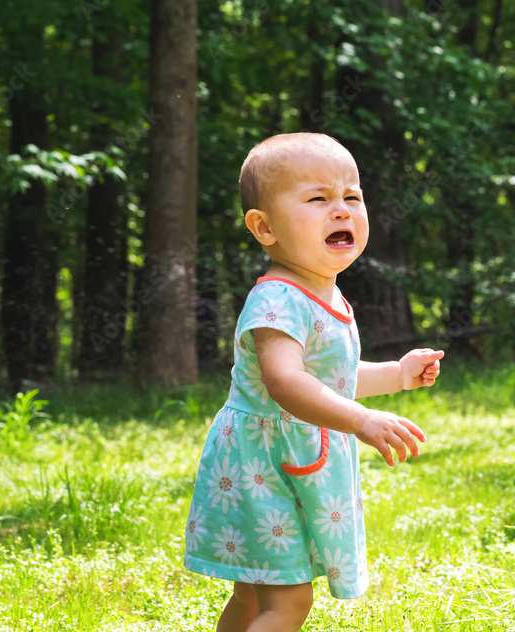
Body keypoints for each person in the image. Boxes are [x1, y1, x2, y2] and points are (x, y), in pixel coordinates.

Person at [183, 132, 444, 632]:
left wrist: (398, 375)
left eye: (352, 196)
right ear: (264, 227)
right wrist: (360, 420)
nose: (341, 210)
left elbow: (332, 380)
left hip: (287, 462)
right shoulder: (276, 299)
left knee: (255, 597)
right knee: (287, 603)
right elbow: (285, 382)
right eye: (318, 199)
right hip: (264, 464)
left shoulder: (327, 295)